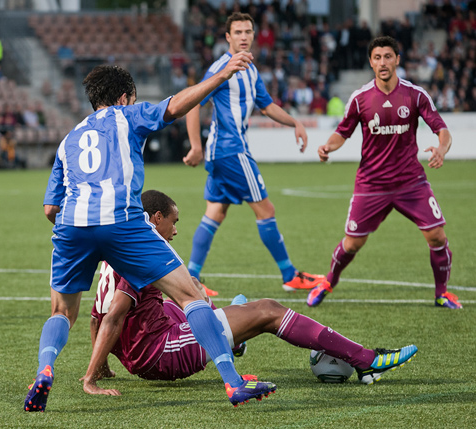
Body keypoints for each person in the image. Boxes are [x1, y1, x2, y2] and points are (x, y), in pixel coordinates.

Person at [26, 53, 277, 412]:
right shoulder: (128, 115)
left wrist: (84, 237)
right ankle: (234, 383)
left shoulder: (69, 138)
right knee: (190, 294)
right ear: (125, 96)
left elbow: (50, 209)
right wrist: (221, 75)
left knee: (62, 312)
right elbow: (175, 106)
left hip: (71, 225)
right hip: (121, 219)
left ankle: (45, 368)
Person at [81, 190, 418, 395]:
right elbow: (113, 316)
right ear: (155, 218)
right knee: (268, 309)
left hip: (141, 348)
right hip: (160, 354)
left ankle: (235, 330)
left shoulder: (121, 244)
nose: (176, 230)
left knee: (180, 306)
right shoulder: (144, 253)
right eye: (173, 221)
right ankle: (367, 359)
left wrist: (103, 364)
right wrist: (90, 378)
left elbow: (97, 313)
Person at [307, 36, 461, 309]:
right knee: (352, 244)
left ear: (397, 60)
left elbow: (442, 130)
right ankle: (328, 280)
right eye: (377, 58)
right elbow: (342, 132)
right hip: (371, 184)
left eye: (388, 56)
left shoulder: (415, 94)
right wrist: (327, 147)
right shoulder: (360, 98)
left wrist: (442, 148)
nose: (383, 62)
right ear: (371, 62)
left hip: (411, 182)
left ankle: (442, 293)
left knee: (436, 235)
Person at [183, 13, 325, 293]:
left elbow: (267, 106)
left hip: (223, 152)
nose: (244, 36)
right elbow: (193, 101)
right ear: (227, 37)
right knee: (266, 209)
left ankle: (191, 280)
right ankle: (289, 275)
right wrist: (195, 146)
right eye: (237, 32)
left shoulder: (251, 69)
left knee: (215, 213)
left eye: (248, 31)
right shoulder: (221, 68)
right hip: (230, 150)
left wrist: (295, 122)